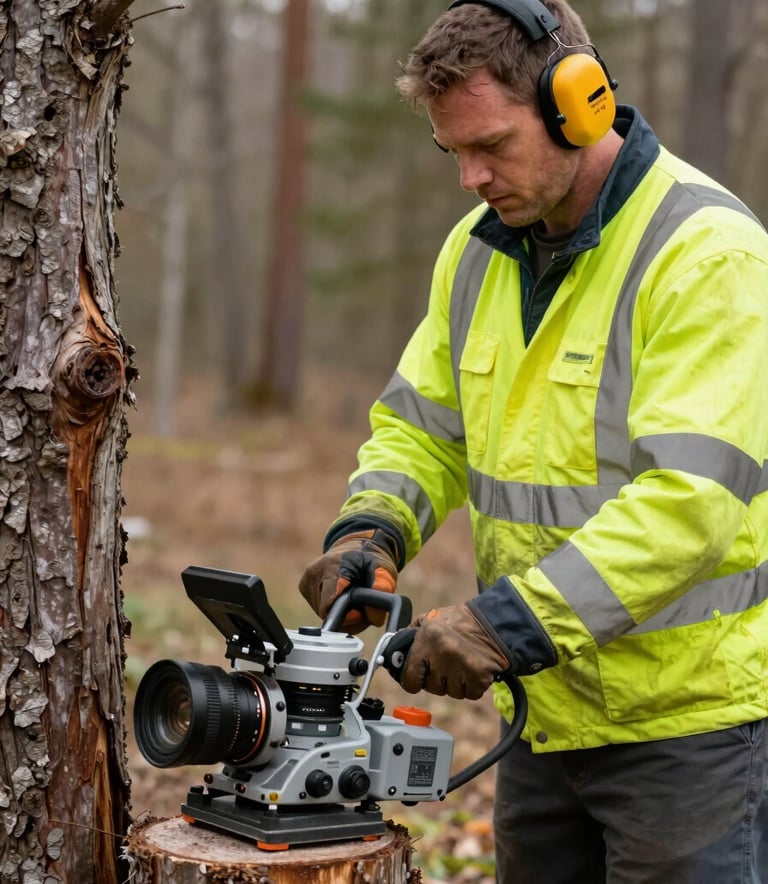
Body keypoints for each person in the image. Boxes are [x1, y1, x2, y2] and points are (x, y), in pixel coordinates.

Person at [298, 0, 768, 881]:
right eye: (452, 151)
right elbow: (423, 426)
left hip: (689, 733)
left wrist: (501, 625)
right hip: (545, 717)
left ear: (579, 106)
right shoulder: (477, 252)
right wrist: (372, 530)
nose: (470, 177)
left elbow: (690, 506)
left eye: (491, 146)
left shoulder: (706, 254)